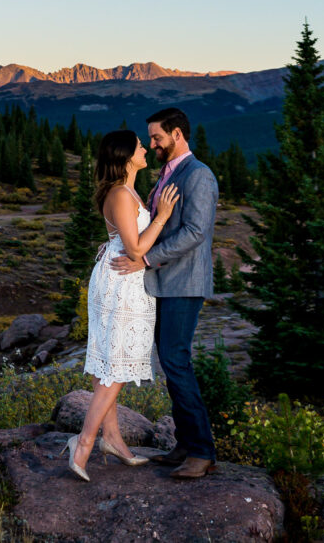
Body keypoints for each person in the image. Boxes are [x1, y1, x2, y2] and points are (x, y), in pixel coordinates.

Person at [62, 129, 178, 481]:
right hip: (121, 284)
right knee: (115, 368)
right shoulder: (121, 194)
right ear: (127, 156)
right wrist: (162, 214)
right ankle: (82, 443)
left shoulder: (127, 191)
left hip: (123, 280)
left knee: (112, 366)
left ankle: (112, 439)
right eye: (140, 146)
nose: (146, 148)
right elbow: (136, 250)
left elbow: (127, 243)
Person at [111, 107, 219, 479]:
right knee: (171, 362)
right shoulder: (168, 173)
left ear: (177, 134)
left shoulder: (199, 175)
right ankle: (187, 444)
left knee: (176, 361)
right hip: (166, 282)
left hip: (184, 282)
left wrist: (146, 260)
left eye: (156, 137)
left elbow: (195, 232)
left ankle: (202, 451)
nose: (152, 143)